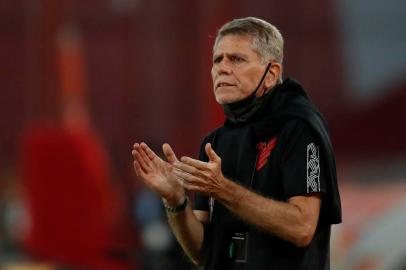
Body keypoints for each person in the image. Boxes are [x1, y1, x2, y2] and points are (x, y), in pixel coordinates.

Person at [132, 17, 341, 270]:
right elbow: (203, 253)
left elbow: (302, 227)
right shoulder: (214, 142)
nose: (222, 68)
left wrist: (222, 189)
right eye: (217, 60)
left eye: (237, 59)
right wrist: (176, 201)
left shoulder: (299, 128)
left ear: (271, 73)